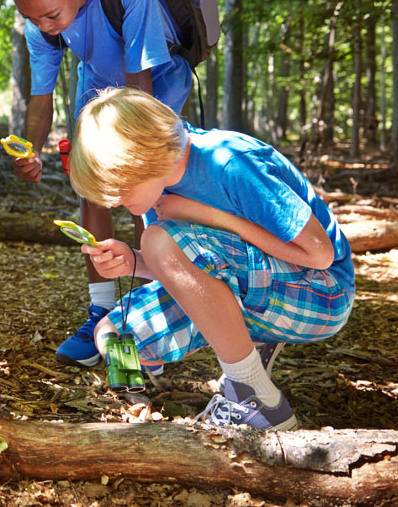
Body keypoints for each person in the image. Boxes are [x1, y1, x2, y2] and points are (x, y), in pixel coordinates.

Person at [69, 87, 354, 430]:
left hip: (323, 292)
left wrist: (208, 215)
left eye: (120, 186)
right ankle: (250, 348)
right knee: (112, 333)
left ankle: (254, 396)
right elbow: (190, 268)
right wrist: (134, 262)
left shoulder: (230, 161)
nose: (114, 201)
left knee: (158, 239)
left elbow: (319, 255)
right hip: (256, 284)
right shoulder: (157, 188)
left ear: (146, 157)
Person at [6, 0, 193, 368]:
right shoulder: (42, 20)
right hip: (95, 85)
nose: (45, 27)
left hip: (154, 85)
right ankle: (101, 311)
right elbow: (41, 97)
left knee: (143, 189)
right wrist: (30, 149)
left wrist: (130, 155)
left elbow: (140, 84)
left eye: (51, 16)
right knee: (91, 189)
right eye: (33, 20)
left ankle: (150, 310)